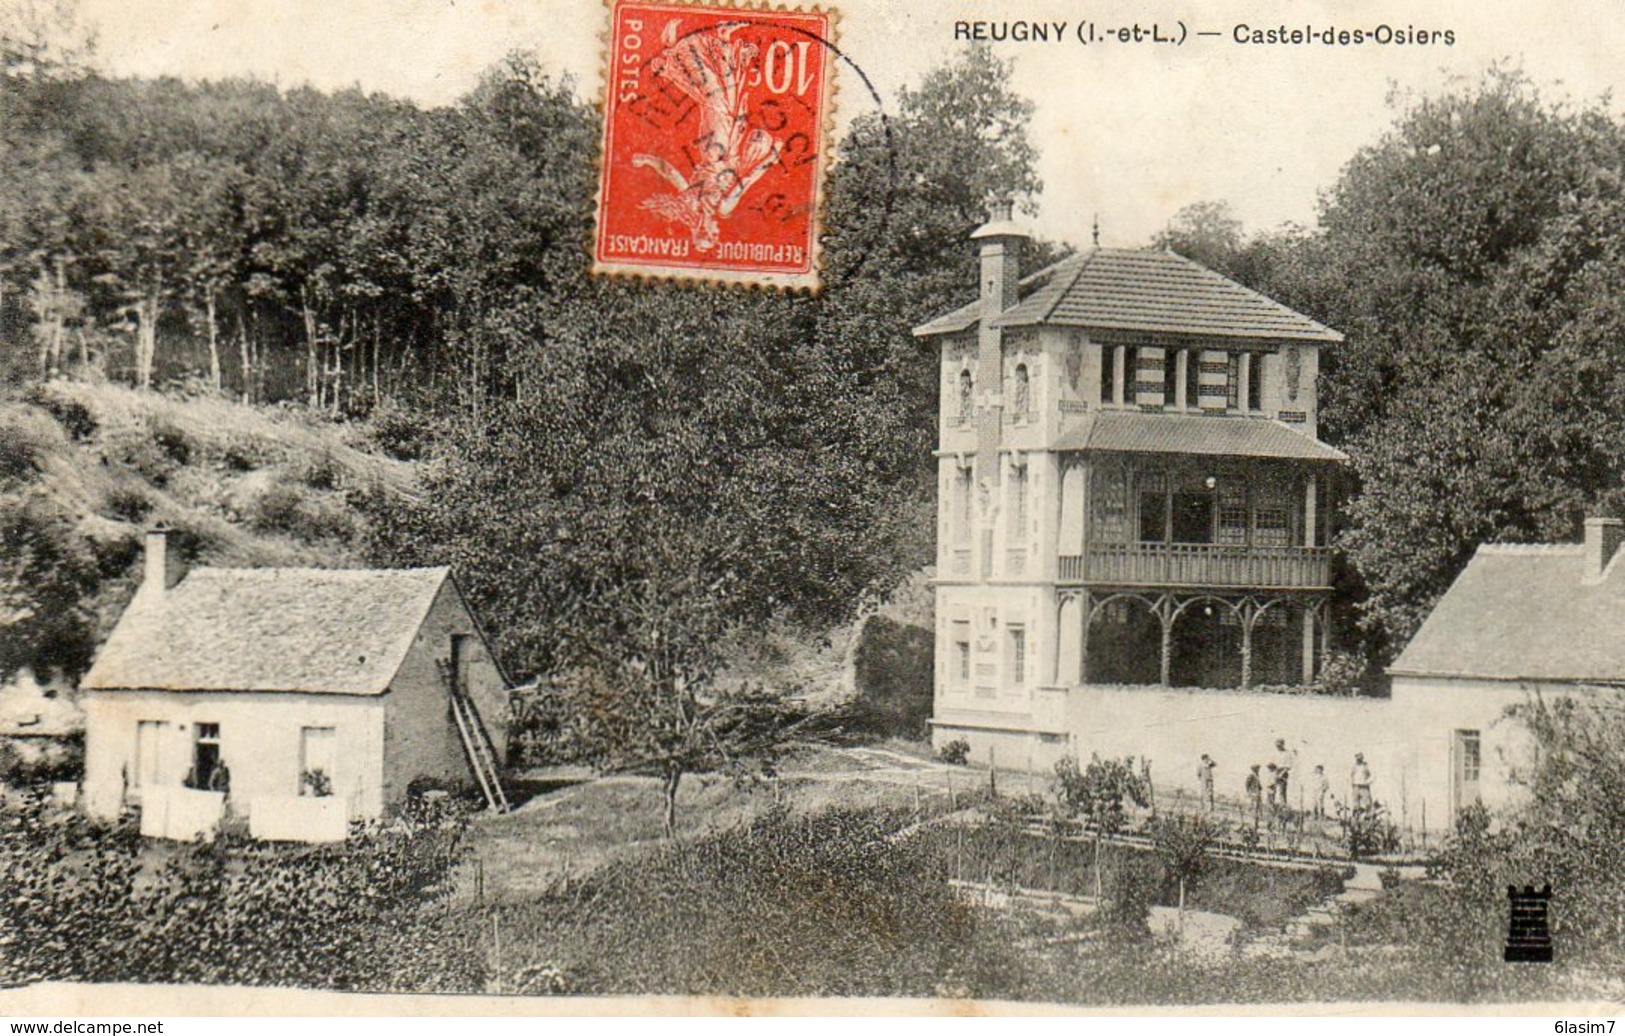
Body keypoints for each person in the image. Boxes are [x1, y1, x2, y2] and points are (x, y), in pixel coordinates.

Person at [1273, 737, 1296, 807]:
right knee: (1273, 789)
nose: (1278, 747)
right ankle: (1273, 805)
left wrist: (1281, 773)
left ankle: (1283, 805)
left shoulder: (1287, 753)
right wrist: (1274, 773)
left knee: (1282, 790)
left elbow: (1289, 765)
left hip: (1283, 772)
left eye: (1279, 745)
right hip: (1275, 771)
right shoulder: (1276, 753)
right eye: (1277, 746)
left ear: (1283, 745)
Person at [1245, 764, 1263, 830]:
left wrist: (1260, 788)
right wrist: (1248, 792)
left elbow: (1259, 786)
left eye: (1258, 769)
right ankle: (1253, 824)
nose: (1258, 770)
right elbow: (1247, 784)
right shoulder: (1251, 776)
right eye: (1257, 769)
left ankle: (1256, 824)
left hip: (1257, 793)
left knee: (1257, 809)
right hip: (1253, 793)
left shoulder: (1257, 776)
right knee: (1253, 808)